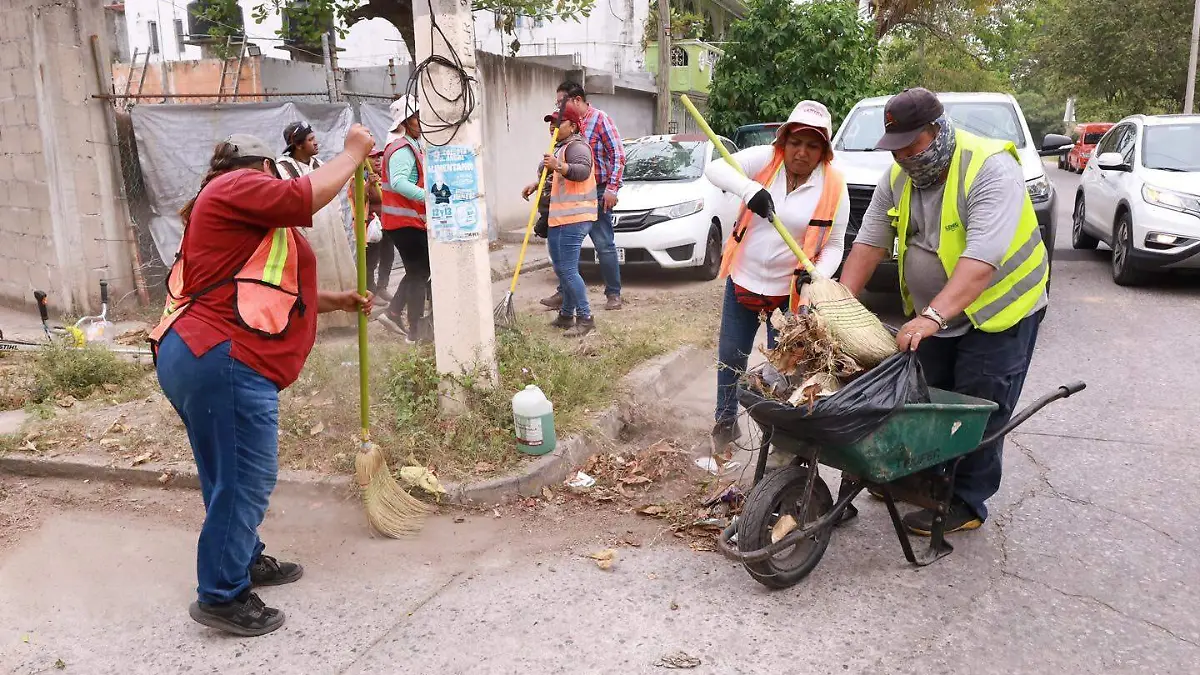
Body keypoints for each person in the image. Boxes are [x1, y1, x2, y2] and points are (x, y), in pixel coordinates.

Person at [150, 128, 377, 637]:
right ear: (262, 168)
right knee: (248, 478)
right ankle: (222, 595)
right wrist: (352, 154)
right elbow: (304, 196)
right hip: (222, 358)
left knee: (225, 472)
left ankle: (242, 558)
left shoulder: (237, 212)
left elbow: (262, 287)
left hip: (200, 353)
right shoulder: (236, 186)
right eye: (276, 172)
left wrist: (335, 300)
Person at [839, 87, 1049, 536]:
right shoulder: (897, 177)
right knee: (925, 399)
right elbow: (869, 243)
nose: (902, 158)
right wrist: (835, 304)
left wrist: (931, 316)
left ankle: (965, 502)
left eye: (910, 146)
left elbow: (980, 263)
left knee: (979, 405)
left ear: (937, 132)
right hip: (938, 313)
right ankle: (918, 477)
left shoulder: (990, 168)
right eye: (894, 149)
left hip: (1000, 311)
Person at [704, 101, 849, 451]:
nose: (801, 152)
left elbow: (835, 245)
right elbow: (715, 168)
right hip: (743, 283)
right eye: (796, 142)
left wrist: (817, 276)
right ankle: (724, 425)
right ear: (784, 141)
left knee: (781, 373)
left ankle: (776, 441)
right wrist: (748, 189)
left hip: (788, 297)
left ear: (824, 152)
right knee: (730, 358)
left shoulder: (834, 187)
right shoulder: (764, 161)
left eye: (813, 146)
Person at [545, 81, 625, 311]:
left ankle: (613, 294)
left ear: (576, 100)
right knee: (565, 252)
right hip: (570, 196)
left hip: (596, 191)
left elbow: (618, 155)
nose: (558, 108)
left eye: (562, 103)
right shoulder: (561, 129)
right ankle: (565, 295)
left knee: (604, 244)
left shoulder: (600, 119)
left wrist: (612, 189)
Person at [276, 121, 359, 330]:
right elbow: (290, 201)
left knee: (339, 268)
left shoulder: (320, 165)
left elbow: (334, 197)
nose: (316, 143)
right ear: (298, 144)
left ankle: (344, 319)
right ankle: (319, 324)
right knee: (316, 273)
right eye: (310, 139)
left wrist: (339, 221)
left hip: (331, 229)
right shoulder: (283, 169)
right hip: (309, 231)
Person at [524, 107, 597, 337]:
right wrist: (537, 184)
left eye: (558, 123)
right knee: (561, 269)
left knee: (567, 269)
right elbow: (557, 179)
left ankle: (585, 317)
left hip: (574, 217)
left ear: (573, 126)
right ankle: (566, 315)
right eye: (550, 123)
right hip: (559, 216)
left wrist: (560, 166)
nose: (552, 127)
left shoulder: (577, 146)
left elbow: (582, 171)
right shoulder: (560, 147)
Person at [376, 95, 432, 343]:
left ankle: (394, 312)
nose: (422, 122)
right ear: (405, 122)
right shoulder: (401, 148)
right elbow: (398, 182)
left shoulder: (414, 144)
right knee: (419, 273)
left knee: (418, 271)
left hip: (410, 222)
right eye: (417, 117)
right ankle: (415, 330)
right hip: (404, 224)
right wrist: (429, 197)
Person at [346, 149, 394, 302]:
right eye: (372, 157)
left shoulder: (383, 176)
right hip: (371, 226)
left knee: (388, 256)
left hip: (387, 223)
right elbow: (357, 197)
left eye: (378, 157)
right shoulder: (357, 179)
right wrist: (368, 185)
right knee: (371, 260)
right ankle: (370, 291)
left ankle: (382, 287)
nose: (377, 160)